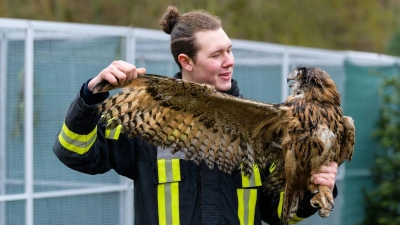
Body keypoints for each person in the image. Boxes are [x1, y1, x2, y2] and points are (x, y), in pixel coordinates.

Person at [53, 5, 338, 225]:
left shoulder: (260, 126)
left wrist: (313, 190)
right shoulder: (148, 118)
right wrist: (92, 94)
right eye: (216, 55)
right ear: (186, 61)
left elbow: (278, 213)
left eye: (230, 50)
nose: (230, 61)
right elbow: (75, 153)